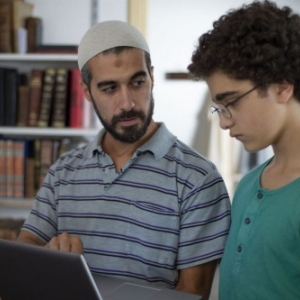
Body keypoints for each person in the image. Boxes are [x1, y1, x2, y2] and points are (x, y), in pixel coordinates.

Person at [17, 20, 231, 299]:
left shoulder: (199, 180)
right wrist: (48, 260)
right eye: (109, 89)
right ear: (86, 92)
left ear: (151, 77)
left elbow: (192, 295)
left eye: (137, 82)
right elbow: (24, 252)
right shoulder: (63, 171)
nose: (128, 103)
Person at [187, 1, 300, 299]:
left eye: (232, 102)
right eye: (219, 108)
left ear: (281, 87)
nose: (224, 122)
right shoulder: (249, 185)